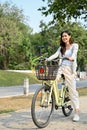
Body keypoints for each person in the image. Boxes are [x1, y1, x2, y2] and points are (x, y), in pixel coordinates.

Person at [46, 30, 80, 122]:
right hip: (61, 68)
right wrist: (47, 59)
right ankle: (52, 99)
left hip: (70, 70)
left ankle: (76, 112)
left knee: (73, 92)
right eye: (62, 36)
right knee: (52, 80)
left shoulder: (74, 46)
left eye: (65, 36)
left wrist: (72, 57)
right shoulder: (61, 47)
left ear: (69, 36)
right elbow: (56, 55)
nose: (64, 37)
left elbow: (74, 54)